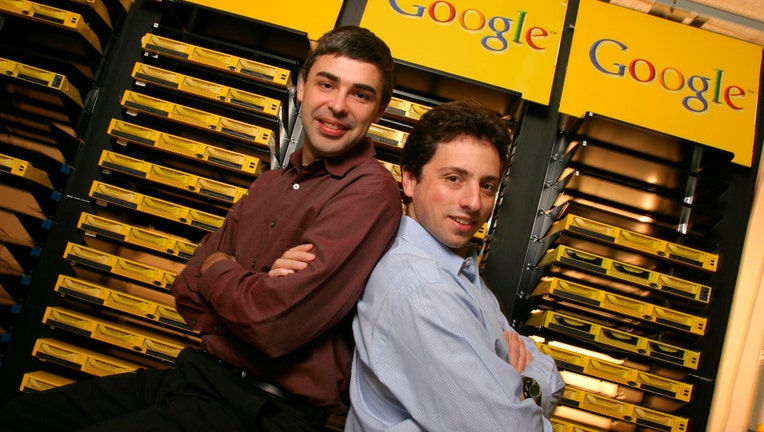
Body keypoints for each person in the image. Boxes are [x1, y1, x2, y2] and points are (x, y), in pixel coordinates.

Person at [0, 25, 402, 432]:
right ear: (301, 87)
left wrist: (220, 269)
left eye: (360, 94)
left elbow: (273, 324)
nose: (337, 105)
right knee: (19, 418)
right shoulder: (272, 183)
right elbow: (186, 288)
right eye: (326, 84)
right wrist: (249, 287)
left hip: (261, 410)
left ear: (379, 111)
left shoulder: (370, 194)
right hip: (194, 377)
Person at [345, 100, 565, 431]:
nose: (474, 202)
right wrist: (523, 383)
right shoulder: (424, 289)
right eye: (453, 178)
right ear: (409, 180)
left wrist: (523, 388)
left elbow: (547, 369)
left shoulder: (458, 271)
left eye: (487, 185)